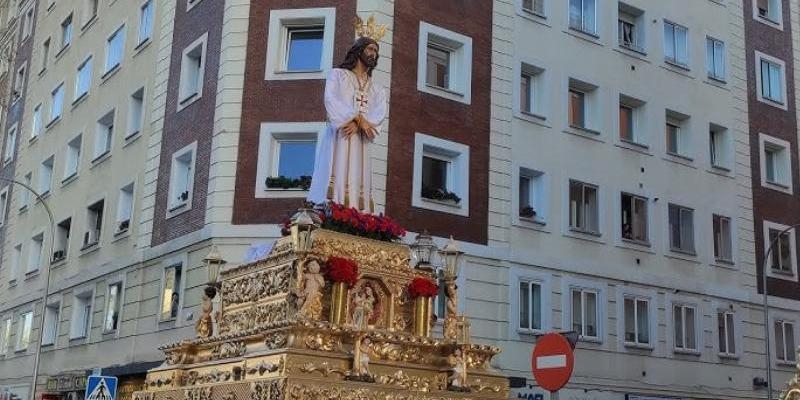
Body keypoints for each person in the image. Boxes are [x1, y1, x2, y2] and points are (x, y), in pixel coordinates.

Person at [308, 35, 387, 213]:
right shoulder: (338, 75)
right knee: (335, 167)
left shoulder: (377, 88)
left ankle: (356, 214)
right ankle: (331, 207)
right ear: (358, 50)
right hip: (340, 135)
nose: (373, 54)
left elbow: (379, 112)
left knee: (359, 174)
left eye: (376, 51)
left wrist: (359, 125)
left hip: (361, 140)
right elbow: (331, 99)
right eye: (370, 49)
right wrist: (357, 118)